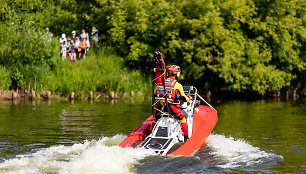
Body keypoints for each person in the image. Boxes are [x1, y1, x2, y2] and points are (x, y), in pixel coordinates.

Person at [154, 65, 190, 142]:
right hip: (171, 108)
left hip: (160, 107)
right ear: (177, 74)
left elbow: (155, 94)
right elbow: (184, 98)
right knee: (183, 118)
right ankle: (186, 138)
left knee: (155, 119)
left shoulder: (160, 83)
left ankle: (150, 133)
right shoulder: (177, 85)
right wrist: (189, 98)